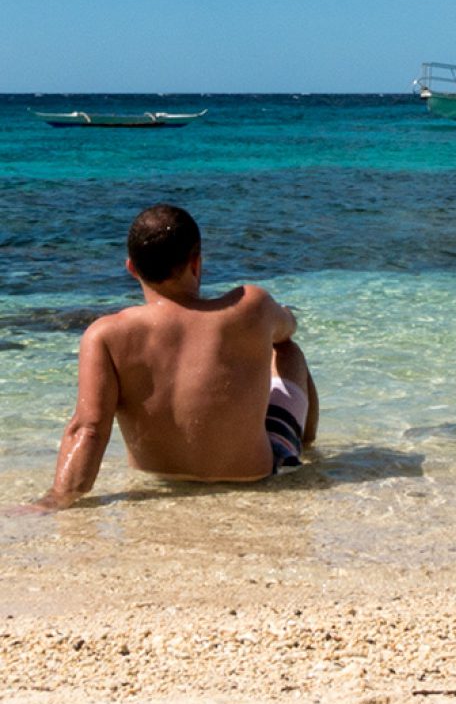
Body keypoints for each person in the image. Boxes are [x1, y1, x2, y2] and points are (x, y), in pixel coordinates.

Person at [30, 204, 318, 512]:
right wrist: (278, 317)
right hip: (252, 475)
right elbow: (288, 330)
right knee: (288, 350)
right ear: (196, 263)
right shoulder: (252, 305)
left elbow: (88, 428)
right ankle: (306, 447)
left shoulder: (106, 335)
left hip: (158, 477)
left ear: (132, 268)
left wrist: (56, 499)